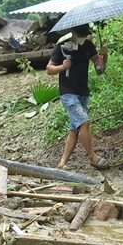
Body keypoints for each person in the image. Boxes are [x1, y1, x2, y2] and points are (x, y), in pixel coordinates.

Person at [47, 24, 109, 169]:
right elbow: (49, 69)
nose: (82, 38)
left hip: (83, 92)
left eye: (84, 35)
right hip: (68, 92)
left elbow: (100, 69)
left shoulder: (88, 45)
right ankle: (93, 157)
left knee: (74, 129)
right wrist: (62, 67)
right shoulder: (62, 46)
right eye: (80, 34)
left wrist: (104, 56)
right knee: (84, 122)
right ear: (73, 32)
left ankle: (62, 163)